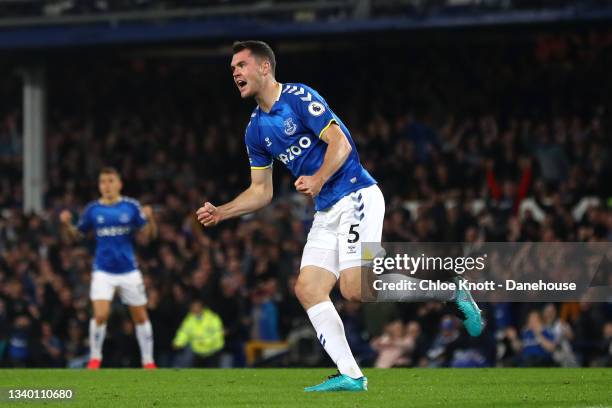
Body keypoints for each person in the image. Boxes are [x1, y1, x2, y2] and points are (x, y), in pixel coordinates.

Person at [196, 40, 483, 391]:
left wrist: (317, 179)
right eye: (233, 69)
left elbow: (341, 143)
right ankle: (352, 375)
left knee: (355, 288)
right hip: (327, 209)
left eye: (241, 65)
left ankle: (449, 292)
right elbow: (261, 191)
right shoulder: (255, 129)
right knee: (308, 288)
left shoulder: (298, 98)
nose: (235, 72)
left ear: (265, 67)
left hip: (356, 195)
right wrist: (222, 211)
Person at [60, 167, 157, 369]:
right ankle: (95, 358)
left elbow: (148, 237)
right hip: (103, 271)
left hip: (129, 270)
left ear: (119, 184)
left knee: (140, 316)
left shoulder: (131, 207)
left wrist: (151, 218)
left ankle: (148, 362)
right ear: (99, 186)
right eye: (103, 181)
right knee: (101, 315)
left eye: (111, 181)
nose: (107, 185)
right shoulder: (93, 210)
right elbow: (75, 237)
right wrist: (67, 225)